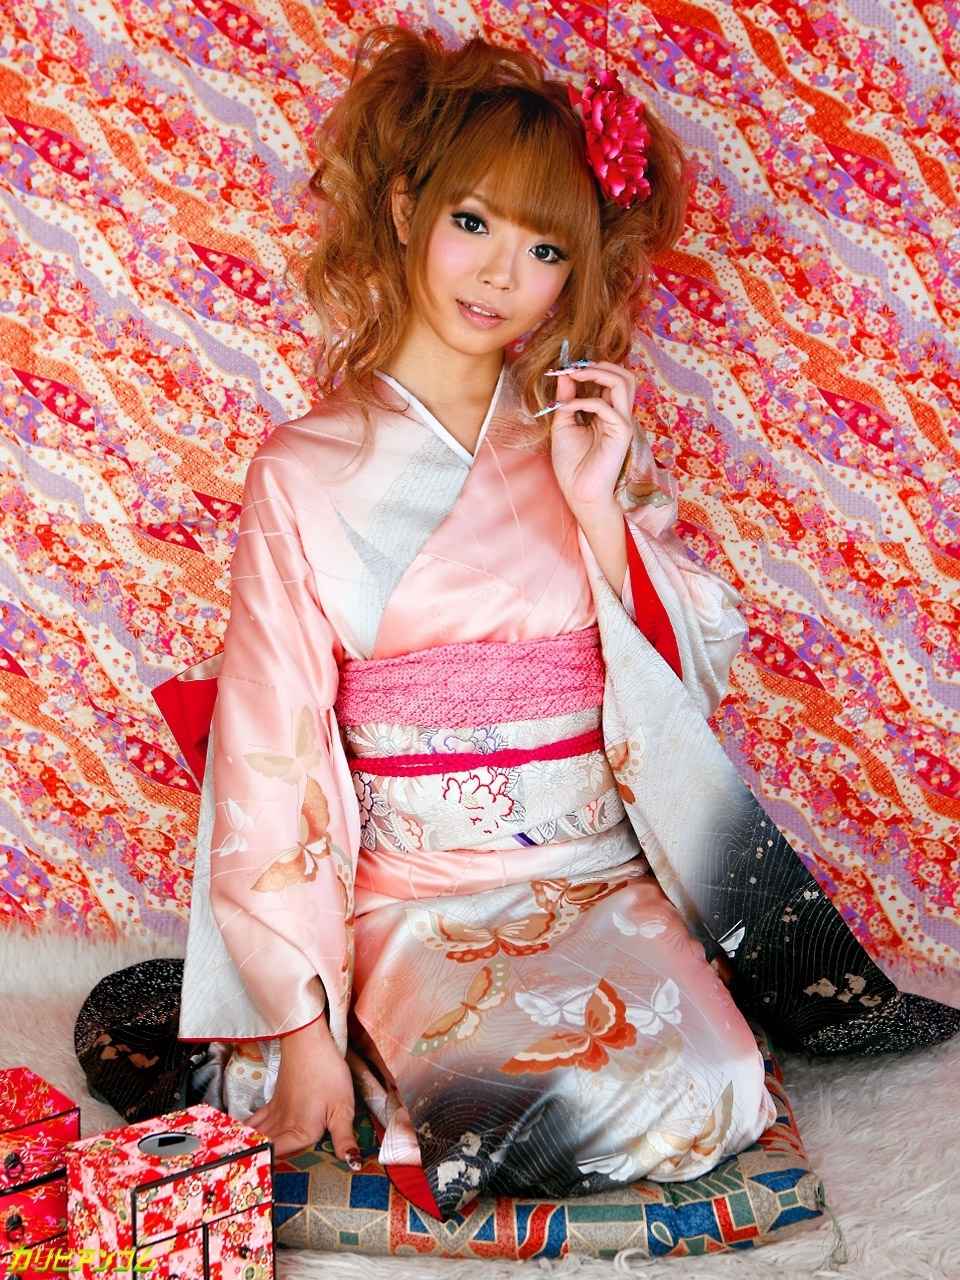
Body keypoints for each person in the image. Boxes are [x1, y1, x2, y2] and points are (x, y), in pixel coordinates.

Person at [167, 24, 958, 1220]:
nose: (500, 275)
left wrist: (596, 510)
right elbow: (265, 751)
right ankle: (375, 1047)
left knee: (716, 1087)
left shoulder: (576, 442)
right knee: (514, 1105)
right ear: (404, 210)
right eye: (473, 222)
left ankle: (430, 1091)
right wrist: (298, 1026)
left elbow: (686, 675)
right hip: (415, 894)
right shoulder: (302, 469)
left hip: (590, 878)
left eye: (543, 249)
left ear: (571, 274)